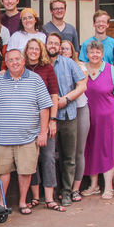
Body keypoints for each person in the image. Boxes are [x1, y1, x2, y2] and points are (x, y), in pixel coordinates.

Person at [0, 49, 53, 215]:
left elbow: (44, 108)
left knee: (26, 170)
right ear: (6, 63)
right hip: (3, 137)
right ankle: (2, 202)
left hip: (28, 136)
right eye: (10, 60)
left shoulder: (36, 79)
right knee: (3, 171)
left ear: (23, 60)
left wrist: (43, 132)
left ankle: (23, 201)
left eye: (17, 59)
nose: (14, 63)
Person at [46, 32, 87, 206]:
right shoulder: (41, 64)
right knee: (49, 156)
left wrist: (67, 99)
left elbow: (82, 85)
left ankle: (67, 191)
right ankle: (50, 191)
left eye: (57, 44)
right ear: (46, 45)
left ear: (60, 46)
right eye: (50, 43)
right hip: (48, 117)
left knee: (69, 156)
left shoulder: (69, 63)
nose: (53, 46)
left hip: (69, 114)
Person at [81, 40, 114, 200]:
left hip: (108, 118)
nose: (94, 55)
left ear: (102, 53)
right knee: (90, 150)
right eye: (91, 52)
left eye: (98, 52)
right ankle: (93, 185)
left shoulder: (110, 69)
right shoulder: (82, 68)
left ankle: (109, 187)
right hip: (87, 118)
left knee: (107, 151)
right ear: (87, 53)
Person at [23, 38, 62, 211]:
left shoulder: (47, 69)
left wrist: (53, 120)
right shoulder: (21, 69)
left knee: (48, 158)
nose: (33, 51)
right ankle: (35, 197)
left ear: (41, 51)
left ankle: (49, 198)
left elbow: (54, 95)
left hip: (46, 120)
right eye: (30, 48)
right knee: (31, 159)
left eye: (36, 49)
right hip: (28, 122)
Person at [60, 40, 89, 200]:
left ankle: (75, 188)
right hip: (63, 112)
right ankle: (64, 187)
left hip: (79, 109)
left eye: (67, 48)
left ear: (72, 51)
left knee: (78, 151)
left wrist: (65, 98)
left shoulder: (80, 66)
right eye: (61, 48)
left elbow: (82, 85)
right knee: (65, 152)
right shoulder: (55, 65)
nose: (64, 51)